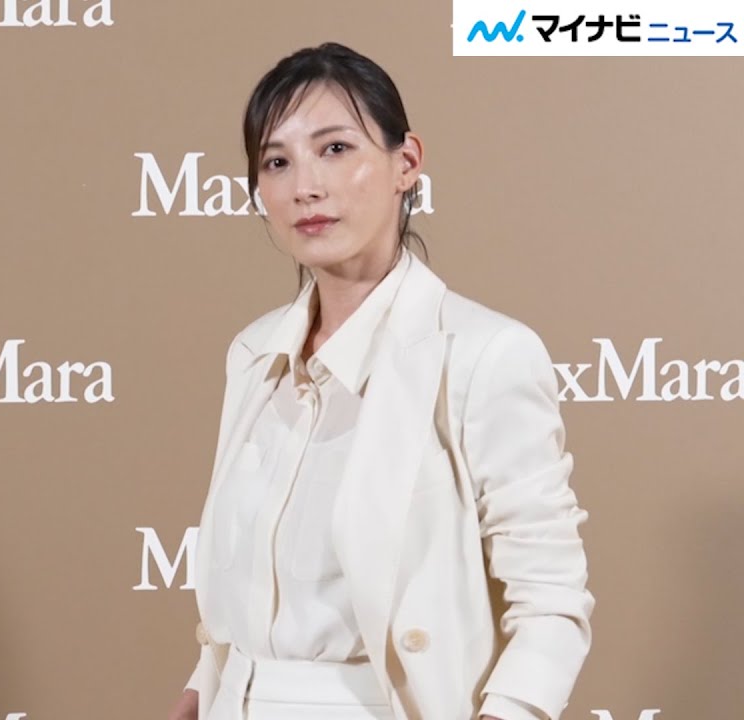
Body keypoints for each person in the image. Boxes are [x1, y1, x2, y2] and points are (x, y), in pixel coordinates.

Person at [169, 44, 594, 720]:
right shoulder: (252, 353)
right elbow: (246, 584)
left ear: (406, 163)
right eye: (277, 162)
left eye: (335, 149)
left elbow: (551, 601)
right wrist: (203, 687)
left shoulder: (484, 354)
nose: (306, 186)